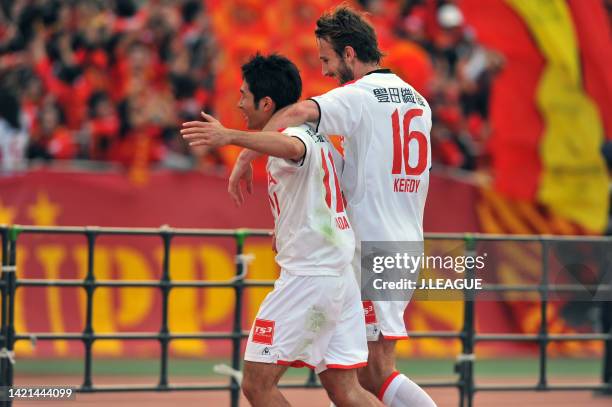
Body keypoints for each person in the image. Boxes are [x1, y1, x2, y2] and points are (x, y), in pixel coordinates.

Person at [197, 6, 437, 407]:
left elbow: (299, 114)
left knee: (372, 374)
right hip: (404, 242)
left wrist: (240, 154)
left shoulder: (358, 96)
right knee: (345, 378)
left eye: (326, 59)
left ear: (348, 54)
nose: (325, 71)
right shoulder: (419, 103)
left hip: (367, 249)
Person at [181, 54, 383, 407]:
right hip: (339, 275)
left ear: (266, 102)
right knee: (344, 388)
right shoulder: (317, 134)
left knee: (257, 383)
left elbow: (292, 148)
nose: (239, 102)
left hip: (310, 277)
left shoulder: (295, 137)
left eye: (244, 95)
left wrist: (230, 137)